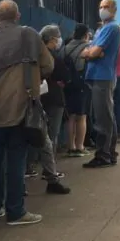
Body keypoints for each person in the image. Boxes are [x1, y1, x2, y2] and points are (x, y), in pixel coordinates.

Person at [0, 0, 53, 225]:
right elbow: (49, 65)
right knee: (16, 160)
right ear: (18, 15)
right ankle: (16, 211)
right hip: (22, 108)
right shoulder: (29, 35)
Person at [81, 0, 120, 168]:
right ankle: (109, 153)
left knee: (103, 118)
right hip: (100, 76)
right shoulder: (102, 29)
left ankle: (103, 155)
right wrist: (92, 52)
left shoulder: (111, 28)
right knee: (106, 116)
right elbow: (89, 51)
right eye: (101, 6)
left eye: (106, 7)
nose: (103, 9)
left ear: (114, 10)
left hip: (102, 76)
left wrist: (92, 52)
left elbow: (93, 51)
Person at [37, 25, 71, 194]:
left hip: (38, 99)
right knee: (51, 135)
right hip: (54, 99)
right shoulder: (53, 58)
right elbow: (65, 76)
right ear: (51, 39)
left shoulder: (34, 54)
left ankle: (34, 168)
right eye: (57, 38)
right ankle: (50, 172)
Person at [63, 25, 92, 157]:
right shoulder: (87, 47)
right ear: (86, 35)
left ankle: (70, 146)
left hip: (67, 84)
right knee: (82, 117)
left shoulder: (65, 47)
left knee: (71, 116)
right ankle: (79, 146)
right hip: (81, 84)